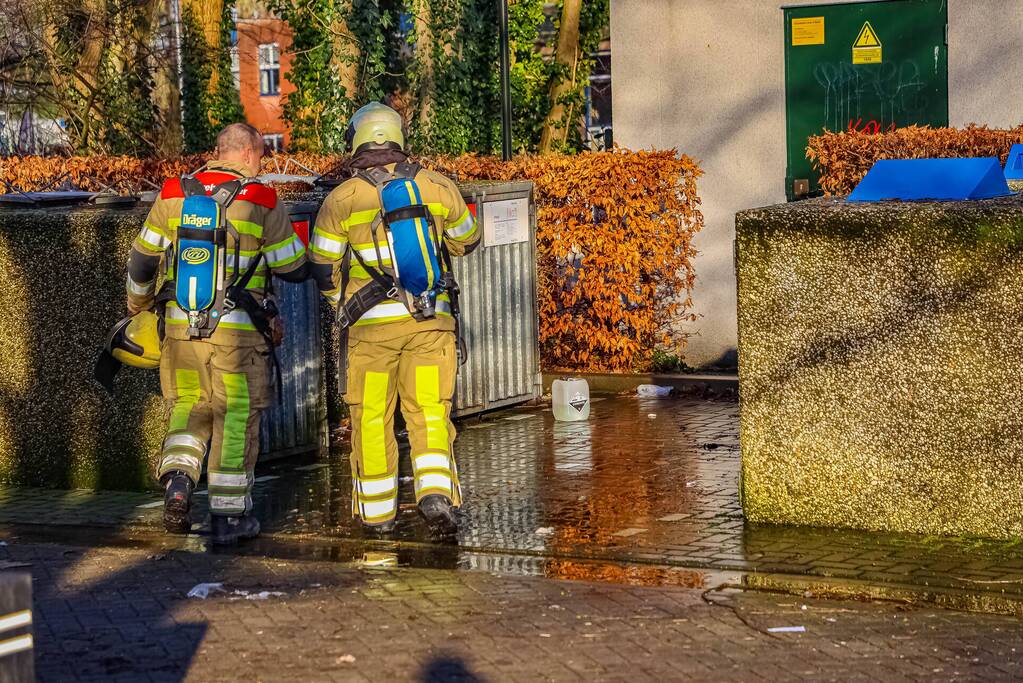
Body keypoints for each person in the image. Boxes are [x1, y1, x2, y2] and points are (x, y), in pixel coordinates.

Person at [125, 123, 308, 544]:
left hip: (179, 329)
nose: (261, 164)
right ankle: (228, 517)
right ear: (246, 155)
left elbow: (141, 261)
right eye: (260, 156)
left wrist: (138, 306)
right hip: (237, 339)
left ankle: (177, 484)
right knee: (234, 417)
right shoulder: (260, 198)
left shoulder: (173, 194)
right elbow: (292, 268)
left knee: (189, 407)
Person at [309, 102, 480, 535]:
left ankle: (378, 515)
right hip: (430, 324)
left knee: (370, 418)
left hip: (370, 333)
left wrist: (339, 304)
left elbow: (321, 264)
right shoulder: (437, 185)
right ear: (399, 138)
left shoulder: (342, 199)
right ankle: (436, 496)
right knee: (429, 411)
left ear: (357, 140)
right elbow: (468, 239)